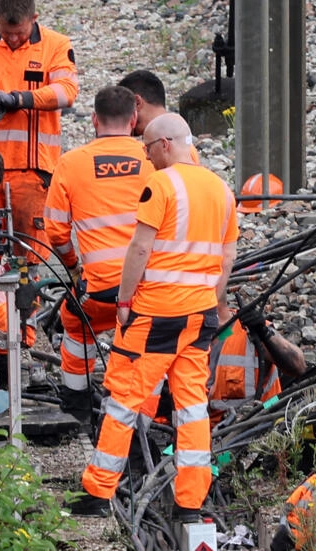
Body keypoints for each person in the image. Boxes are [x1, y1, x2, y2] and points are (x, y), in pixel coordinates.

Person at [73, 113, 238, 520]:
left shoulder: (162, 184)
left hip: (155, 315)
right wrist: (210, 300)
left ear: (164, 143)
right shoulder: (222, 189)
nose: (146, 160)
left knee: (124, 400)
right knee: (192, 407)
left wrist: (124, 301)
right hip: (199, 315)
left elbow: (140, 249)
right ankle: (190, 503)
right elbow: (228, 256)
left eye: (146, 150)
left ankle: (98, 492)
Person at [43, 85, 154, 423]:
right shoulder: (153, 158)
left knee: (75, 323)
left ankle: (77, 403)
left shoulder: (71, 163)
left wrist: (74, 268)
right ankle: (147, 411)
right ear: (134, 119)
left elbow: (56, 232)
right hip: (149, 289)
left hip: (101, 289)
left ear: (93, 119)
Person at [0, 0, 78, 267]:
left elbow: (67, 92)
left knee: (28, 253)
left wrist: (20, 100)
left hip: (32, 170)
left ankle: (29, 306)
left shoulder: (56, 45)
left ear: (34, 18)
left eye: (19, 32)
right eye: (7, 33)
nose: (14, 38)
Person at [208, 305, 306, 426]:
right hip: (207, 434)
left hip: (265, 419)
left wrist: (264, 333)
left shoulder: (248, 328)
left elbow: (299, 366)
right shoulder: (184, 340)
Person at [118, 69, 201, 163]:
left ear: (137, 103)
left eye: (123, 109)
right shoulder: (187, 149)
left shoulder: (152, 152)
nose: (122, 119)